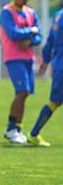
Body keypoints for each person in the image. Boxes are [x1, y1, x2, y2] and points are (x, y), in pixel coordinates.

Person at [0, 0, 42, 144]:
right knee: (22, 91)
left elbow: (40, 36)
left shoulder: (31, 12)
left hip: (28, 58)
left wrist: (30, 41)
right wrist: (31, 32)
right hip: (14, 57)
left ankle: (17, 128)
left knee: (24, 94)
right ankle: (11, 128)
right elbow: (13, 33)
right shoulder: (7, 12)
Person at [28, 8, 63, 146]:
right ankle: (33, 133)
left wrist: (46, 60)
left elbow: (50, 41)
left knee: (55, 102)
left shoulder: (58, 15)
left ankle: (34, 133)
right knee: (55, 102)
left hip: (59, 64)